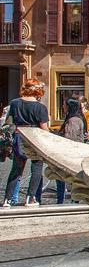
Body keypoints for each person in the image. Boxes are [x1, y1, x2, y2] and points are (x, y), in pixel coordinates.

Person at [2, 80, 49, 208]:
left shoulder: (14, 103)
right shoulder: (40, 107)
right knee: (37, 169)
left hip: (19, 136)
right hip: (35, 138)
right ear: (38, 91)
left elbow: (9, 122)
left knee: (16, 170)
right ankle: (31, 198)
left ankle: (7, 199)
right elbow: (44, 128)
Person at [55, 98, 87, 203]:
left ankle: (64, 199)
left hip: (69, 152)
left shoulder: (73, 120)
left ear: (70, 107)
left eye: (64, 105)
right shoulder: (76, 118)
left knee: (62, 175)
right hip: (73, 151)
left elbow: (69, 138)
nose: (63, 107)